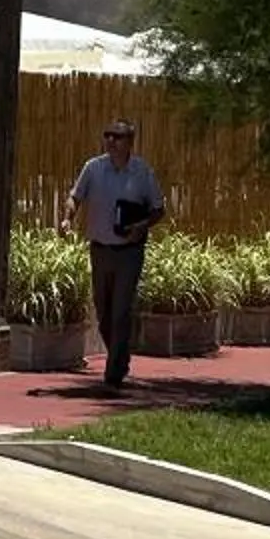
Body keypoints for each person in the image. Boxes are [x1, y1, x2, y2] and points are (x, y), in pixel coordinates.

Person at [60, 119, 164, 393]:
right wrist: (67, 218)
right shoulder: (93, 168)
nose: (110, 141)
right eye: (107, 136)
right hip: (100, 248)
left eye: (116, 137)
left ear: (130, 141)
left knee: (120, 311)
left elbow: (157, 209)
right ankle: (120, 355)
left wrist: (140, 226)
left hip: (129, 251)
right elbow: (75, 196)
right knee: (103, 310)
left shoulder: (142, 172)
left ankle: (114, 369)